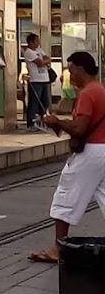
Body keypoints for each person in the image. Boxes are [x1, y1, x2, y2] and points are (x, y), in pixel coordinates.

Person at [28, 51, 105, 264]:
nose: (69, 77)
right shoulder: (101, 90)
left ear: (82, 70)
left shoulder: (87, 93)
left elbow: (80, 129)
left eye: (71, 71)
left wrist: (57, 122)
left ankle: (58, 249)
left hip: (91, 153)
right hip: (104, 150)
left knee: (64, 198)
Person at [23, 33, 52, 132]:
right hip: (36, 80)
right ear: (31, 42)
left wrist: (45, 61)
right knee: (34, 102)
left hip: (44, 79)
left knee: (45, 102)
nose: (38, 43)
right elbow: (39, 63)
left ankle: (42, 122)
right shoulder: (29, 52)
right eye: (37, 41)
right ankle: (31, 123)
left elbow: (48, 58)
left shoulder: (39, 50)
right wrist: (44, 61)